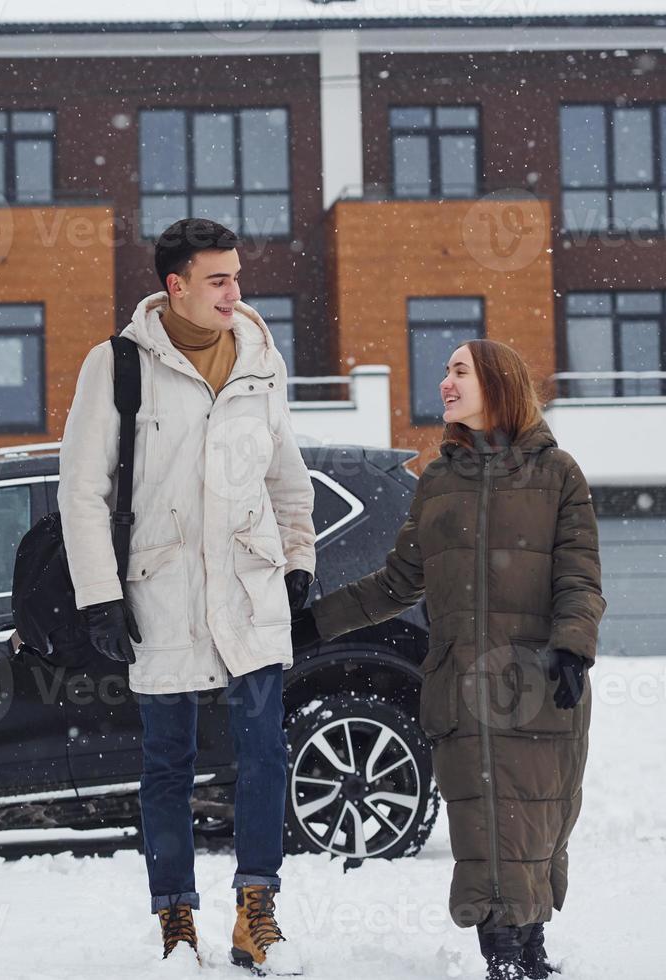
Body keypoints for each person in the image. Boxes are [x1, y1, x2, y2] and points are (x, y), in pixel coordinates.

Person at [293, 339, 604, 980]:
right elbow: (397, 582)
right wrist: (315, 624)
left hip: (539, 682)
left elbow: (580, 574)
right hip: (463, 685)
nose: (445, 382)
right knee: (485, 827)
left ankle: (532, 948)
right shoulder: (438, 480)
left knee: (538, 822)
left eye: (458, 370)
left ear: (497, 382)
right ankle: (506, 960)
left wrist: (573, 646)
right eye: (445, 371)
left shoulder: (558, 475)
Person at [58, 218, 315, 973]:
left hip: (248, 586)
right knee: (167, 763)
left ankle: (254, 913)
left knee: (264, 753)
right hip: (160, 591)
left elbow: (285, 477)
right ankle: (174, 918)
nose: (234, 292)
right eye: (217, 279)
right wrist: (99, 594)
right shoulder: (117, 367)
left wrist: (297, 561)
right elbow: (81, 490)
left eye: (236, 276)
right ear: (175, 286)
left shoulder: (262, 360)